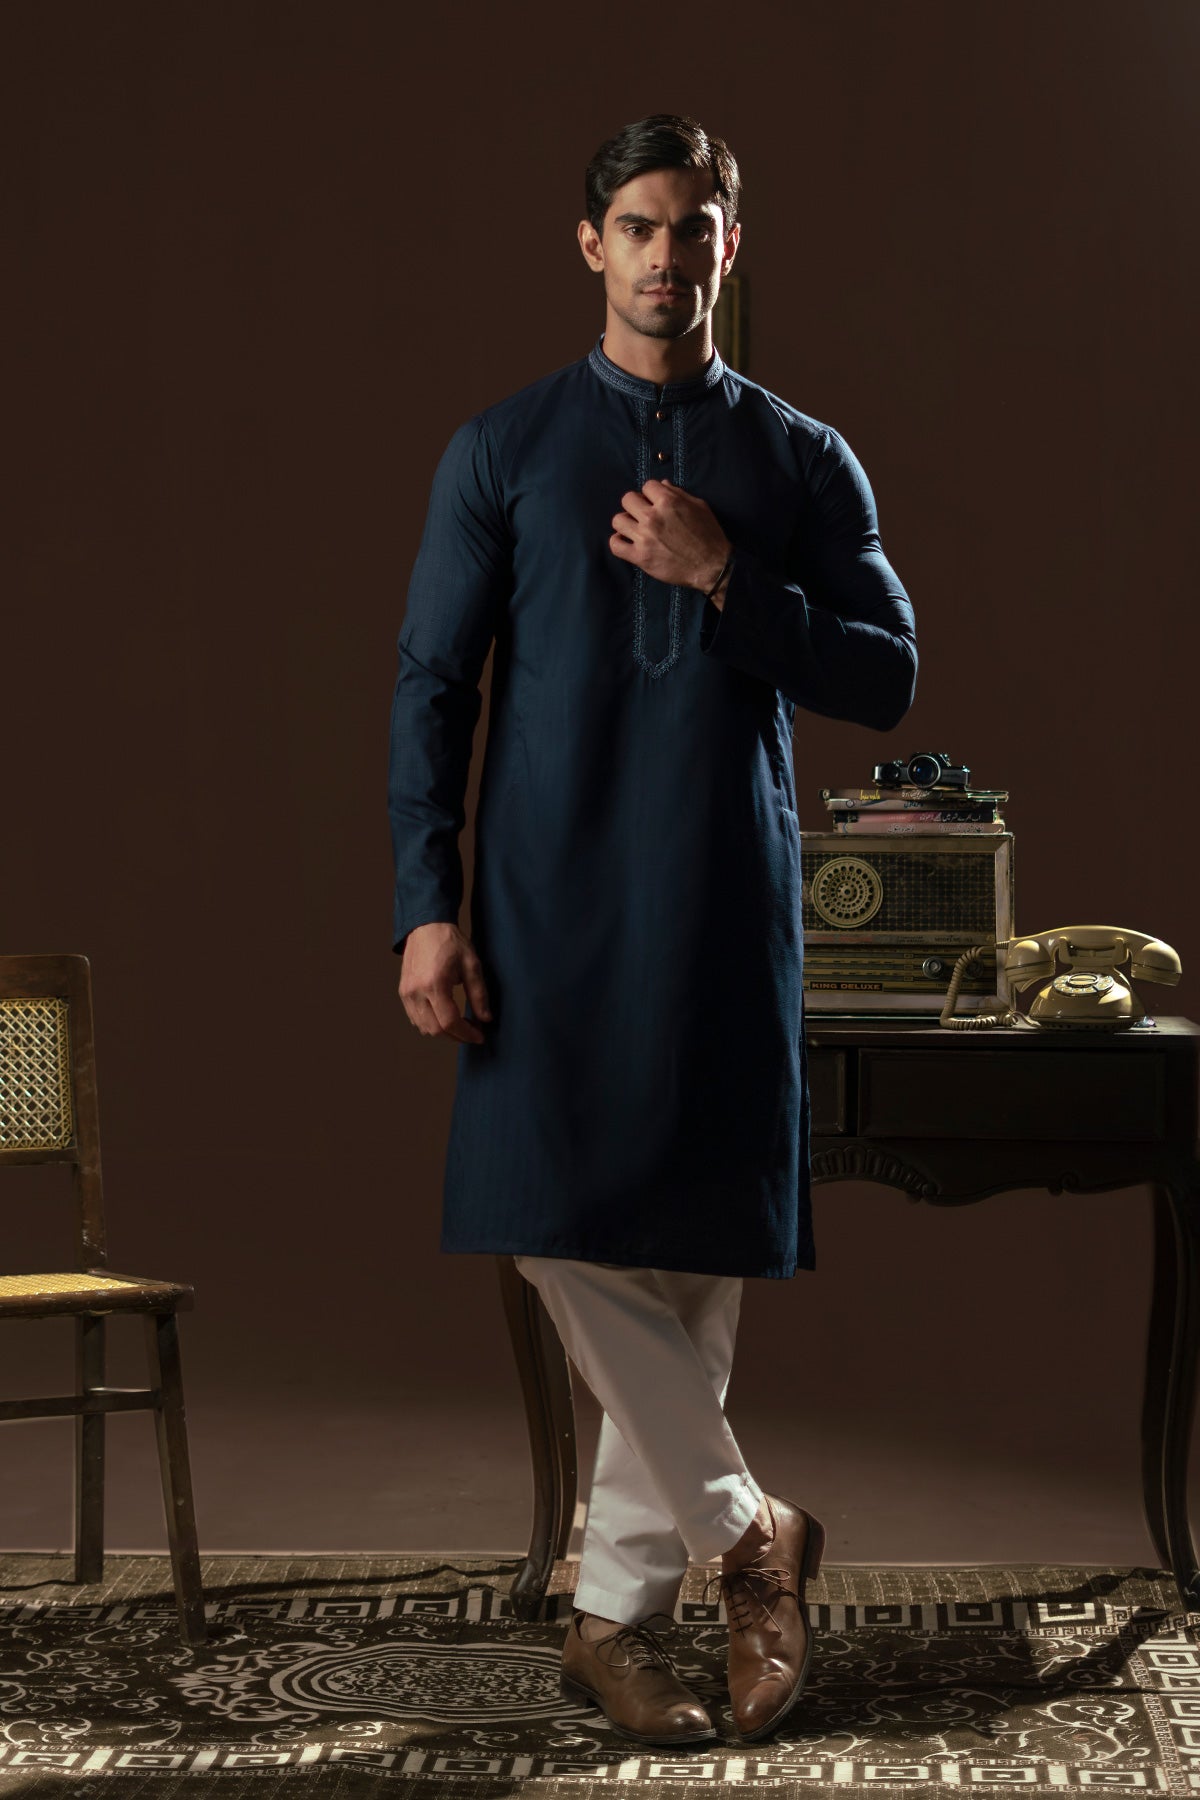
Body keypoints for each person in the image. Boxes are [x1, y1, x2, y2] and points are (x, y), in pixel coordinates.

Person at [388, 114, 918, 1746]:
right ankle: (753, 1536)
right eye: (638, 225)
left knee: (690, 1273)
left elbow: (887, 674)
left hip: (720, 906)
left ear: (730, 247)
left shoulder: (799, 458)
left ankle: (612, 1624)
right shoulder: (504, 448)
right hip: (541, 910)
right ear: (590, 244)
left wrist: (729, 578)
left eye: (694, 227)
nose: (666, 255)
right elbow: (430, 685)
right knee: (553, 1214)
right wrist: (426, 907)